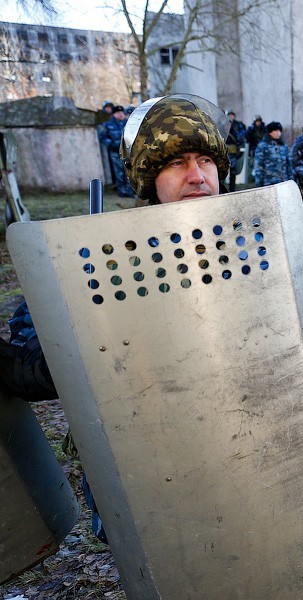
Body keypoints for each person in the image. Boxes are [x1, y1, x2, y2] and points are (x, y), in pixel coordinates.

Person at [3, 93, 231, 543]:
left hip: (234, 451)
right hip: (145, 472)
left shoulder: (248, 246)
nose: (197, 176)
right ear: (148, 178)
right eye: (177, 163)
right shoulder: (95, 259)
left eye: (206, 159)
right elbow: (29, 355)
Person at [98, 105, 135, 197]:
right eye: (118, 113)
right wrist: (111, 144)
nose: (120, 115)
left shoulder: (129, 123)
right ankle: (122, 191)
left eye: (122, 112)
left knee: (129, 171)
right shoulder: (108, 125)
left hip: (128, 151)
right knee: (119, 172)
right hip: (115, 152)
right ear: (114, 114)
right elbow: (102, 137)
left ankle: (130, 191)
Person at [252, 121, 290, 187]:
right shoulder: (262, 146)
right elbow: (258, 166)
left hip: (284, 183)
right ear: (270, 132)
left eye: (279, 131)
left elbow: (289, 165)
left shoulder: (284, 147)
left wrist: (291, 180)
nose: (278, 133)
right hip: (268, 183)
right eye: (275, 131)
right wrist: (259, 184)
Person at [225, 110, 247, 192]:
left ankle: (232, 189)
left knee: (233, 171)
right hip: (223, 151)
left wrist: (240, 148)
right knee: (221, 171)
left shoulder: (238, 125)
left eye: (232, 115)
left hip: (233, 152)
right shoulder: (222, 124)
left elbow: (241, 136)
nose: (231, 117)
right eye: (229, 115)